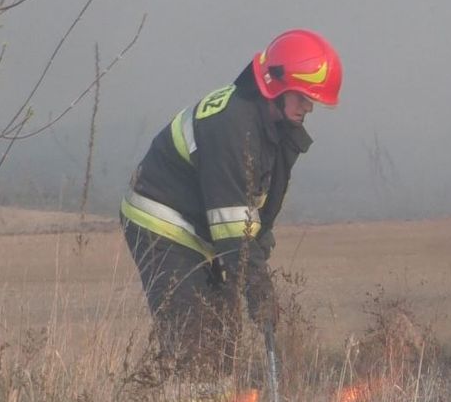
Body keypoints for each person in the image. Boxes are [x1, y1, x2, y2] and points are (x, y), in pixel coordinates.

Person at [120, 29, 342, 383]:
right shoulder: (232, 127)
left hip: (204, 228)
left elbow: (258, 207)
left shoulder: (275, 126)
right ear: (278, 87)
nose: (309, 106)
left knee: (223, 337)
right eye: (303, 97)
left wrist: (259, 247)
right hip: (162, 222)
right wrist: (258, 290)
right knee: (193, 340)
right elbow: (230, 229)